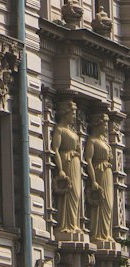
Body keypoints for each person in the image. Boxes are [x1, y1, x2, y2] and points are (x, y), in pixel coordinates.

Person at [52, 99, 83, 235]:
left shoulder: (73, 132)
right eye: (72, 113)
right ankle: (66, 224)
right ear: (65, 113)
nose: (74, 116)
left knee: (76, 194)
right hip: (66, 161)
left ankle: (74, 223)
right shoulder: (59, 129)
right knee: (68, 193)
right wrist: (60, 170)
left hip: (75, 163)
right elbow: (56, 149)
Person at [85, 110, 114, 244]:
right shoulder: (92, 140)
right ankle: (98, 234)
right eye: (104, 124)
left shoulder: (104, 142)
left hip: (107, 173)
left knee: (108, 204)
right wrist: (94, 180)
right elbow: (89, 159)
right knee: (100, 203)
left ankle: (106, 233)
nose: (106, 127)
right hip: (99, 172)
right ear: (98, 124)